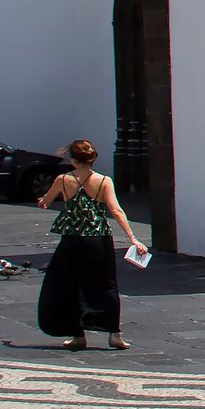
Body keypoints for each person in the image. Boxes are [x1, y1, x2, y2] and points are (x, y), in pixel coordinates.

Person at [34, 141, 145, 352]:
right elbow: (117, 211)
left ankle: (77, 334)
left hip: (72, 239)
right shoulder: (104, 181)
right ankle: (115, 334)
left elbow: (45, 202)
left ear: (74, 160)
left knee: (69, 285)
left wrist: (43, 201)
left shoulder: (63, 180)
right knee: (106, 285)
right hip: (98, 239)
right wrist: (133, 238)